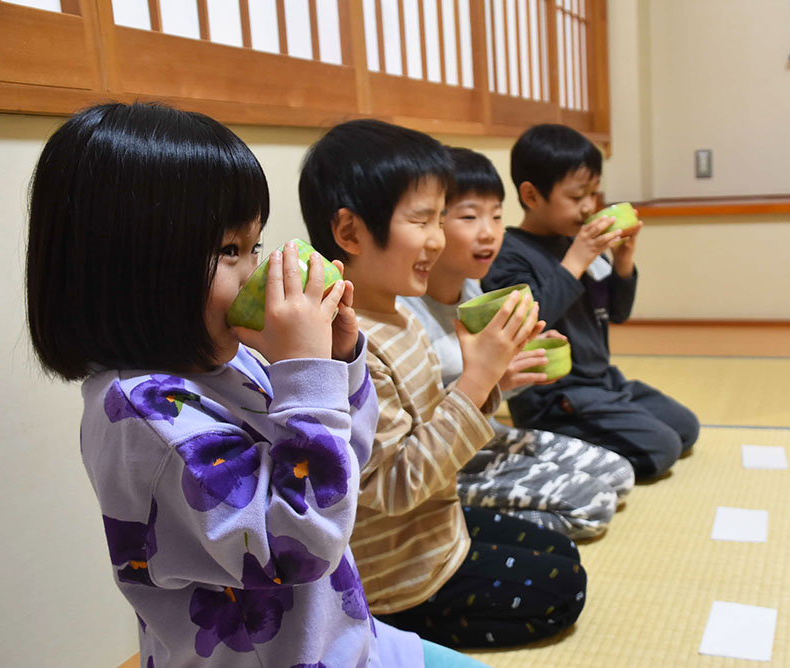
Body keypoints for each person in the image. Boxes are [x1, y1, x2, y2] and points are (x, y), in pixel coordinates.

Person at [25, 102, 486, 667]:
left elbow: (346, 467)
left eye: (255, 247)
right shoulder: (145, 416)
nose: (255, 275)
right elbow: (298, 545)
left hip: (344, 636)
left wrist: (338, 361)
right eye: (229, 251)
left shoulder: (230, 360)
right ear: (133, 268)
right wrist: (305, 373)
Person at [299, 119, 587, 648]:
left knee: (561, 549)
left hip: (436, 522)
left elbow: (433, 422)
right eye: (422, 219)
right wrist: (475, 382)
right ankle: (389, 632)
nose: (438, 238)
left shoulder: (401, 314)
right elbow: (393, 486)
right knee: (565, 588)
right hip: (400, 575)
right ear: (350, 232)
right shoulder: (349, 343)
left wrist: (492, 379)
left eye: (440, 218)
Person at [399, 146, 634, 539]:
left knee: (619, 474)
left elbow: (491, 384)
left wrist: (518, 359)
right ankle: (446, 529)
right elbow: (414, 430)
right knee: (592, 505)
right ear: (432, 225)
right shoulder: (405, 312)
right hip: (437, 460)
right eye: (470, 217)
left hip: (483, 437)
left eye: (496, 215)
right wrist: (492, 378)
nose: (489, 232)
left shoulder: (475, 290)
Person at [482, 124, 700, 481]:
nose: (589, 207)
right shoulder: (510, 255)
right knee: (662, 449)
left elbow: (617, 312)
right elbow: (527, 324)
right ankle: (552, 444)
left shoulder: (580, 243)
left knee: (685, 428)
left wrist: (623, 261)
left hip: (603, 383)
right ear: (532, 196)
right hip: (553, 398)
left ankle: (605, 427)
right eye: (577, 196)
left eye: (594, 194)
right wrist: (577, 259)